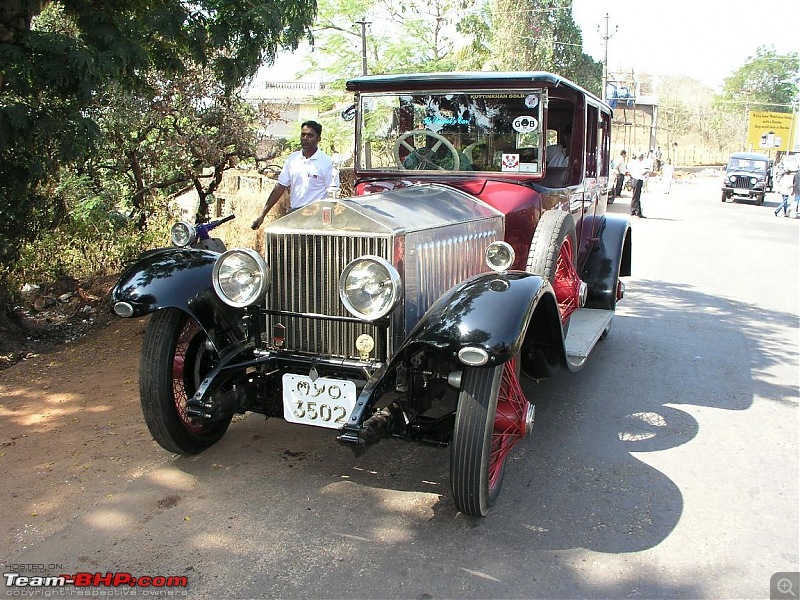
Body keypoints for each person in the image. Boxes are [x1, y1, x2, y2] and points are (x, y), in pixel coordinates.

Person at [251, 120, 337, 229]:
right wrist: (262, 215)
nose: (305, 138)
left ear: (318, 139)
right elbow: (280, 187)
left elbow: (332, 195)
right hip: (295, 216)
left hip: (317, 220)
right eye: (303, 135)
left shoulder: (327, 162)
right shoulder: (292, 159)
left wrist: (328, 223)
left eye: (310, 135)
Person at [628, 153, 647, 218]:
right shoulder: (638, 164)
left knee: (637, 196)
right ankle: (633, 211)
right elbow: (641, 172)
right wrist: (646, 172)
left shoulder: (635, 163)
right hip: (637, 180)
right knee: (635, 196)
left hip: (636, 180)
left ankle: (638, 212)